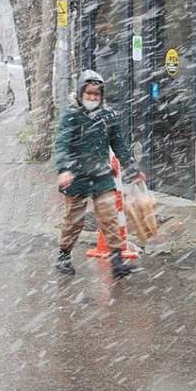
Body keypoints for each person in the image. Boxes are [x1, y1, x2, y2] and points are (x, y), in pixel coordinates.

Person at [54, 69, 144, 279]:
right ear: (80, 92)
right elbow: (62, 144)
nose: (93, 98)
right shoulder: (71, 116)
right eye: (89, 93)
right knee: (73, 219)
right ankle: (64, 255)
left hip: (102, 176)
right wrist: (64, 169)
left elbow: (119, 144)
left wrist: (132, 169)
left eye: (97, 94)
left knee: (109, 217)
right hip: (76, 177)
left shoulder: (108, 115)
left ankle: (117, 262)